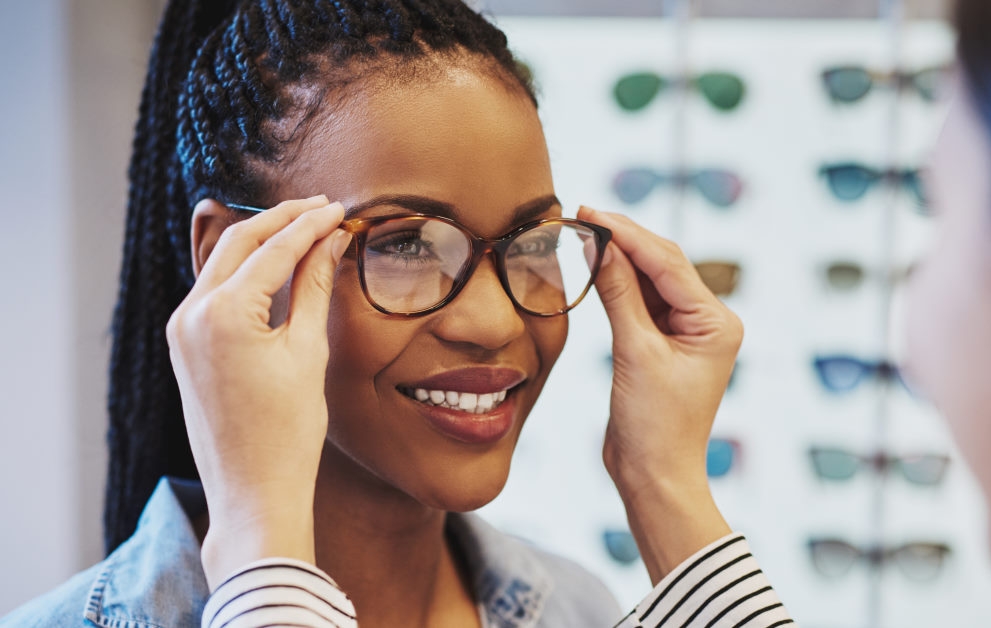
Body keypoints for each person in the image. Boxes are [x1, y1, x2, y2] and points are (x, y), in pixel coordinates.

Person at [0, 0, 788, 627]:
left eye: (533, 241)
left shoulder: (578, 610)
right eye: (406, 244)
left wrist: (665, 480)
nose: (494, 322)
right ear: (230, 257)